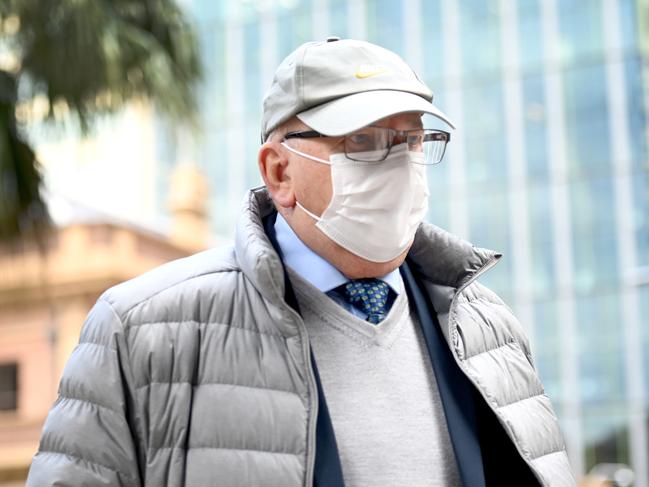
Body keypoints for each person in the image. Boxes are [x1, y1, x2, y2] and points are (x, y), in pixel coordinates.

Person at [27, 38, 575, 487]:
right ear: (280, 172)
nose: (400, 169)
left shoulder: (486, 329)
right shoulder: (145, 329)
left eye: (411, 142)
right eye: (363, 142)